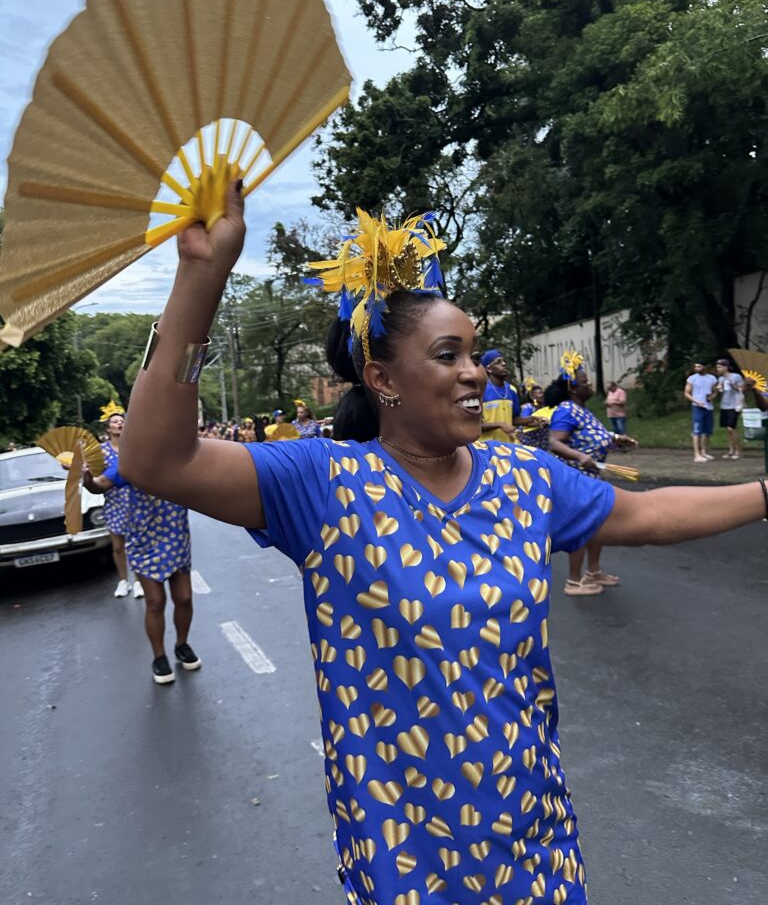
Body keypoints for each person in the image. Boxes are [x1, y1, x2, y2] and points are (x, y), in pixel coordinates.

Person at [121, 185, 768, 905]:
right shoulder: (324, 483)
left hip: (537, 841)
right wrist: (201, 278)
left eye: (475, 353)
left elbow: (647, 515)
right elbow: (155, 459)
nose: (475, 372)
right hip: (405, 863)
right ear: (382, 379)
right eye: (448, 354)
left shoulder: (522, 478)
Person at [83, 457, 200, 685]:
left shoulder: (178, 457)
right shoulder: (133, 462)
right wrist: (86, 477)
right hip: (144, 539)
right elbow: (100, 485)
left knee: (184, 597)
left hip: (176, 534)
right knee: (155, 601)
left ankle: (181, 645)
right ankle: (159, 657)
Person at [546, 355, 638, 596]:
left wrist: (617, 440)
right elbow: (555, 442)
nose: (590, 385)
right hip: (575, 479)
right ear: (572, 387)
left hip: (591, 477)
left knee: (597, 525)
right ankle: (574, 580)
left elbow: (595, 436)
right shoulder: (566, 410)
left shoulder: (582, 411)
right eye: (585, 382)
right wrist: (580, 457)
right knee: (580, 527)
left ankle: (593, 572)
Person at [99, 406, 143, 600]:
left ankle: (139, 581)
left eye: (122, 421)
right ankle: (123, 581)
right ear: (108, 429)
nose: (119, 423)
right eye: (115, 421)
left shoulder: (134, 448)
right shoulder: (101, 452)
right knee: (118, 546)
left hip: (136, 501)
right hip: (114, 503)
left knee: (136, 545)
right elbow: (95, 477)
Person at [480, 349, 541, 442]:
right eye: (498, 362)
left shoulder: (512, 390)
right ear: (488, 369)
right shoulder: (481, 390)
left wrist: (530, 420)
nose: (504, 364)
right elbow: (474, 426)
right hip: (487, 449)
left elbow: (513, 420)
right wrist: (500, 424)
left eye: (503, 361)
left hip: (508, 447)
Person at [684, 362, 718, 462]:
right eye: (695, 366)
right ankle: (696, 454)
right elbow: (687, 393)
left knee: (707, 431)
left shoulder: (712, 378)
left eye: (699, 366)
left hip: (708, 407)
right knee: (697, 431)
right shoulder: (692, 378)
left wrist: (712, 396)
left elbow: (715, 391)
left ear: (705, 367)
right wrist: (696, 401)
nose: (697, 368)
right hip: (697, 406)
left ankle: (704, 451)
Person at [714, 358, 744, 459]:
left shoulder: (736, 376)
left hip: (734, 405)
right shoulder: (721, 379)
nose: (718, 369)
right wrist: (718, 389)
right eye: (717, 367)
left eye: (719, 367)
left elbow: (742, 389)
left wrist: (733, 385)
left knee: (732, 428)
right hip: (724, 405)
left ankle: (738, 451)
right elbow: (720, 391)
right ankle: (731, 450)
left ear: (726, 367)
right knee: (728, 429)